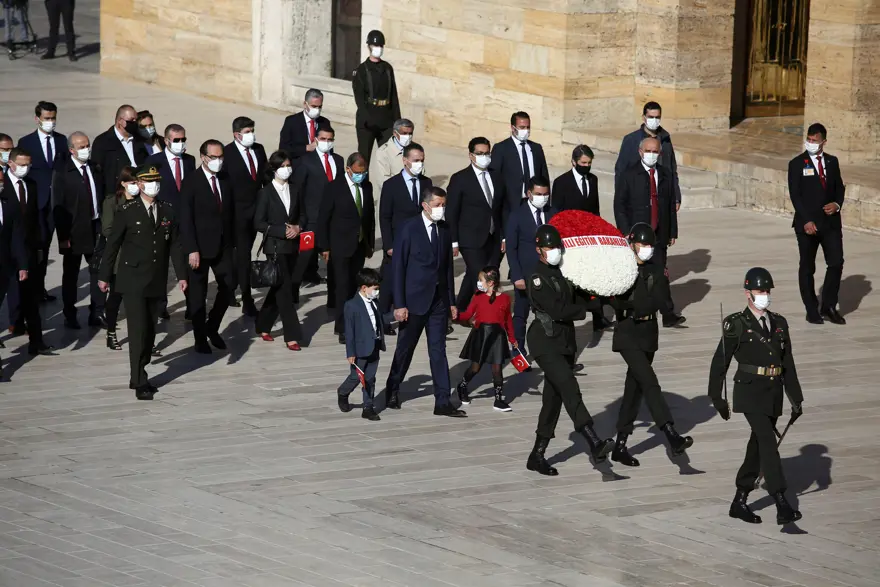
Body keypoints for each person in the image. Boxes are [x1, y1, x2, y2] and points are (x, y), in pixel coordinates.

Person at [708, 267, 804, 525]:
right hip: (749, 391)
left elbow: (787, 362)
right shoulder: (737, 323)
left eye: (767, 291)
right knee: (768, 442)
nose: (765, 295)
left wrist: (796, 398)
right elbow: (720, 362)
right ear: (747, 293)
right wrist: (717, 397)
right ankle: (781, 501)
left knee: (758, 446)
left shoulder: (779, 323)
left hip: (772, 392)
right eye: (760, 290)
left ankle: (739, 500)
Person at [525, 224, 612, 476]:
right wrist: (586, 309)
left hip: (564, 342)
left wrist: (596, 295)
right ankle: (594, 441)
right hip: (544, 341)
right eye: (549, 247)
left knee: (553, 399)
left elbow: (576, 297)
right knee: (569, 385)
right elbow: (558, 310)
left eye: (557, 247)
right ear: (539, 249)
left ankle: (537, 455)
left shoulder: (564, 272)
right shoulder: (537, 278)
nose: (555, 251)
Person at [98, 165, 187, 400]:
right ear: (139, 184)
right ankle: (139, 380)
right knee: (138, 330)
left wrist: (182, 275)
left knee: (150, 330)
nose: (153, 186)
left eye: (156, 181)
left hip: (156, 279)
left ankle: (139, 371)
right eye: (148, 181)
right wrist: (104, 276)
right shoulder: (127, 211)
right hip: (133, 279)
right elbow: (113, 245)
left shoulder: (167, 210)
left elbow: (175, 245)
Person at [608, 223, 693, 467]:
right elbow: (615, 302)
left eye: (649, 245)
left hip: (648, 332)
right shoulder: (622, 270)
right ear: (632, 245)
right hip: (628, 333)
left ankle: (620, 445)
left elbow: (663, 301)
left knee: (634, 389)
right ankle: (671, 434)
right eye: (642, 244)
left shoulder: (656, 270)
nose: (646, 248)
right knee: (649, 382)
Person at [384, 187, 464, 417]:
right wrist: (399, 304)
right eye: (437, 205)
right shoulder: (409, 228)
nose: (441, 209)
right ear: (425, 205)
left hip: (438, 301)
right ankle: (393, 388)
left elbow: (447, 268)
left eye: (443, 205)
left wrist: (451, 301)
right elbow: (398, 268)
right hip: (414, 301)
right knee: (405, 349)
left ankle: (443, 401)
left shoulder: (444, 229)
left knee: (438, 350)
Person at [614, 136, 685, 328]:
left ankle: (668, 313)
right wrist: (626, 232)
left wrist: (672, 232)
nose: (651, 155)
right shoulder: (629, 174)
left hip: (659, 234)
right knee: (634, 274)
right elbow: (620, 205)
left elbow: (670, 206)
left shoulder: (665, 174)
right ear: (640, 152)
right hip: (636, 236)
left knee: (661, 274)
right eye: (648, 151)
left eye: (655, 151)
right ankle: (629, 310)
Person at [180, 140, 235, 354]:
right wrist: (191, 249)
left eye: (221, 157)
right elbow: (185, 218)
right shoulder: (191, 181)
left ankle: (212, 326)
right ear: (203, 157)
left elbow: (230, 211)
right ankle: (200, 337)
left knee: (229, 285)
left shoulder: (225, 178)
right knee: (198, 295)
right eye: (214, 157)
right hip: (199, 249)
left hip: (223, 245)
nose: (218, 161)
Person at [788, 123, 846, 325]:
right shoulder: (797, 163)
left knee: (836, 262)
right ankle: (811, 308)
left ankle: (828, 306)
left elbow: (839, 188)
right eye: (809, 139)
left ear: (824, 142)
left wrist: (837, 204)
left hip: (830, 223)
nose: (811, 143)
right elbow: (795, 195)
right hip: (807, 225)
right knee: (807, 267)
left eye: (815, 140)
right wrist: (806, 220)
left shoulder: (832, 161)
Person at [552, 144, 612, 332]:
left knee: (594, 277)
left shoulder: (593, 180)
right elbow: (557, 213)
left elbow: (595, 209)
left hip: (590, 238)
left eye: (589, 163)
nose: (586, 166)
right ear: (574, 162)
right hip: (571, 240)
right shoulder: (561, 182)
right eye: (583, 163)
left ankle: (598, 317)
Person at [317, 152, 375, 343]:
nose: (361, 175)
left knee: (355, 286)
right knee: (342, 287)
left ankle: (354, 321)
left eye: (364, 172)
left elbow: (369, 217)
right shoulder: (334, 188)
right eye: (357, 172)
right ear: (348, 169)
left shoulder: (367, 186)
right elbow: (323, 218)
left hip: (359, 245)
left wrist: (369, 243)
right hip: (340, 246)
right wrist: (324, 246)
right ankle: (342, 327)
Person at [52, 131, 106, 329]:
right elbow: (58, 207)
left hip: (95, 227)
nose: (86, 150)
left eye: (87, 145)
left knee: (98, 271)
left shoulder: (95, 168)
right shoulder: (63, 173)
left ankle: (97, 312)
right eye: (81, 147)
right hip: (74, 232)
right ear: (71, 150)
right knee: (71, 275)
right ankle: (70, 314)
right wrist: (63, 236)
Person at [2, 148, 54, 355]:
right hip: (5, 251)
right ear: (11, 164)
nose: (25, 168)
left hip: (27, 249)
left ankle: (36, 341)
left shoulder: (30, 185)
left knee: (31, 297)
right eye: (22, 164)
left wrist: (39, 244)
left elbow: (35, 217)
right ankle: (14, 324)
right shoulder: (2, 185)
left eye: (28, 164)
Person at [377, 142, 432, 332]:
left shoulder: (426, 183)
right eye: (415, 160)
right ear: (405, 161)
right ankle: (382, 319)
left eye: (422, 160)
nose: (419, 164)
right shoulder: (391, 185)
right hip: (397, 242)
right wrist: (389, 244)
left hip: (419, 243)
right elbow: (384, 217)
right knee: (390, 282)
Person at [447, 137, 505, 314]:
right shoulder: (460, 179)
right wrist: (453, 241)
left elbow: (502, 208)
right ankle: (483, 315)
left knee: (478, 273)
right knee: (482, 276)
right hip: (470, 239)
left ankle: (460, 309)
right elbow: (452, 212)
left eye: (487, 153)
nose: (484, 157)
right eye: (480, 153)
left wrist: (504, 236)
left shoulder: (497, 176)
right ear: (471, 155)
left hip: (493, 237)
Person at [254, 150, 304, 350]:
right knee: (285, 291)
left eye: (288, 165)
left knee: (278, 287)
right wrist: (281, 231)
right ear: (274, 169)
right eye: (282, 166)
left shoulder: (296, 189)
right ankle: (292, 335)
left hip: (293, 246)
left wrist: (298, 228)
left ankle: (263, 324)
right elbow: (258, 222)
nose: (286, 169)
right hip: (275, 248)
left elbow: (303, 215)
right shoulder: (265, 193)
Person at [17, 101, 66, 302]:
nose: (50, 122)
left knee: (54, 246)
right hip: (37, 205)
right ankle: (34, 289)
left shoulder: (62, 141)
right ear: (37, 119)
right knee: (39, 247)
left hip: (58, 203)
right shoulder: (26, 142)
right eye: (47, 118)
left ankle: (40, 288)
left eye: (53, 118)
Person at [224, 116, 267, 316]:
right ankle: (247, 297)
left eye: (252, 130)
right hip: (237, 214)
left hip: (256, 210)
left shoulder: (258, 149)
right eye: (247, 132)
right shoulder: (227, 153)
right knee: (242, 254)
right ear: (237, 134)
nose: (251, 135)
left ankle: (231, 286)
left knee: (244, 251)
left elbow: (265, 177)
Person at [290, 124, 343, 291]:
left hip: (332, 218)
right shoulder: (305, 161)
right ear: (315, 140)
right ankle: (293, 289)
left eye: (330, 139)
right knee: (305, 255)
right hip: (311, 219)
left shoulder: (338, 160)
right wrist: (298, 218)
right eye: (323, 139)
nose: (326, 142)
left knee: (332, 254)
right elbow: (298, 191)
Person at [505, 178, 555, 355]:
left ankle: (550, 348)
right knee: (521, 313)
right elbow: (511, 249)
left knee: (549, 313)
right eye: (538, 194)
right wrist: (517, 275)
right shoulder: (517, 215)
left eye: (546, 194)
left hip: (548, 273)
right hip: (525, 274)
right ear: (529, 194)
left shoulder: (552, 213)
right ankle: (518, 350)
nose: (543, 198)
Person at [455, 266, 515, 412]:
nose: (478, 283)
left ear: (491, 283)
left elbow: (508, 320)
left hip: (497, 336)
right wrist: (455, 315)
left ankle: (498, 399)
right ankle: (462, 385)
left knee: (497, 368)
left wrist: (513, 339)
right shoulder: (478, 297)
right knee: (475, 367)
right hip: (481, 334)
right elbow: (467, 314)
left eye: (481, 280)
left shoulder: (505, 299)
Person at [338, 268, 389, 421]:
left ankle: (368, 407)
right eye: (375, 289)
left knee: (370, 378)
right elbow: (349, 331)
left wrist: (394, 316)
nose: (377, 292)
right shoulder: (352, 305)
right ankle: (343, 392)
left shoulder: (375, 303)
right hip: (360, 349)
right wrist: (350, 352)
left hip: (374, 345)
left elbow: (380, 320)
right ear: (364, 288)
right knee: (356, 377)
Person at [614, 101, 681, 212]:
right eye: (651, 117)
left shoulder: (665, 139)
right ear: (644, 117)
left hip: (661, 194)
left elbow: (672, 170)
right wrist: (621, 199)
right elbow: (621, 171)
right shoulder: (631, 140)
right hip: (638, 197)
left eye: (657, 117)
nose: (654, 120)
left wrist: (676, 197)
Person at [102, 166, 139, 351]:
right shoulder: (112, 202)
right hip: (120, 256)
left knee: (140, 299)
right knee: (115, 297)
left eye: (138, 182)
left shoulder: (142, 200)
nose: (136, 186)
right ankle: (111, 332)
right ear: (123, 183)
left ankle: (143, 337)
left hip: (140, 256)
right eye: (133, 182)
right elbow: (107, 229)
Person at [490, 111, 549, 228]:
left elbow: (544, 176)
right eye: (522, 127)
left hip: (534, 202)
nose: (525, 130)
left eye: (528, 127)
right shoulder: (501, 148)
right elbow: (495, 178)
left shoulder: (536, 148)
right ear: (513, 128)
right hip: (511, 205)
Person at [352, 30, 400, 166]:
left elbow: (393, 96)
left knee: (388, 158)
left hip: (386, 119)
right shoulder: (361, 70)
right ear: (369, 47)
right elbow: (359, 99)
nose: (378, 48)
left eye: (380, 45)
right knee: (363, 158)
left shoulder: (387, 68)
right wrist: (367, 118)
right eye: (375, 45)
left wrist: (397, 121)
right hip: (368, 119)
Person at [0, 186, 29, 380]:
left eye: (2, 181)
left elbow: (16, 237)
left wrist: (22, 265)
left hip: (4, 268)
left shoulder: (9, 205)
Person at [92, 105, 149, 198]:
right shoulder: (102, 142)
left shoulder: (139, 139)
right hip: (117, 194)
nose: (134, 123)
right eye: (131, 120)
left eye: (136, 120)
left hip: (140, 191)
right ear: (120, 121)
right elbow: (98, 173)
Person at [144, 123, 195, 209]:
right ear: (166, 141)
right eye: (176, 140)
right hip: (163, 209)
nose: (180, 143)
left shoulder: (189, 160)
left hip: (185, 209)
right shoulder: (153, 160)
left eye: (183, 140)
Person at [278, 88, 330, 167]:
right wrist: (306, 148)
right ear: (305, 104)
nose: (317, 110)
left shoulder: (324, 122)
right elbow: (283, 149)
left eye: (320, 107)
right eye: (314, 106)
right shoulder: (292, 121)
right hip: (298, 166)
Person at [374, 118, 415, 185]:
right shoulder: (383, 152)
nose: (408, 136)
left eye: (410, 133)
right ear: (395, 133)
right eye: (404, 133)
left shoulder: (415, 148)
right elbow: (383, 181)